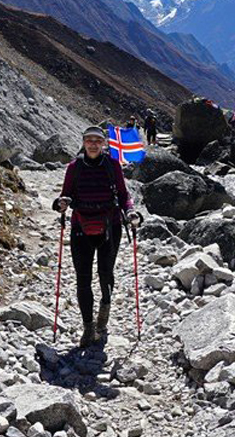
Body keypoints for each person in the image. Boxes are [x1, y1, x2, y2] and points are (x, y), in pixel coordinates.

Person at [53, 126, 139, 346]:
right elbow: (66, 193)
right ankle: (88, 327)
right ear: (83, 142)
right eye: (89, 140)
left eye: (97, 141)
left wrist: (130, 211)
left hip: (111, 226)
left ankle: (104, 311)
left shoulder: (112, 166)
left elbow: (123, 194)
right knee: (83, 278)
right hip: (81, 226)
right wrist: (61, 203)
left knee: (105, 273)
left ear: (104, 144)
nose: (93, 144)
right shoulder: (75, 167)